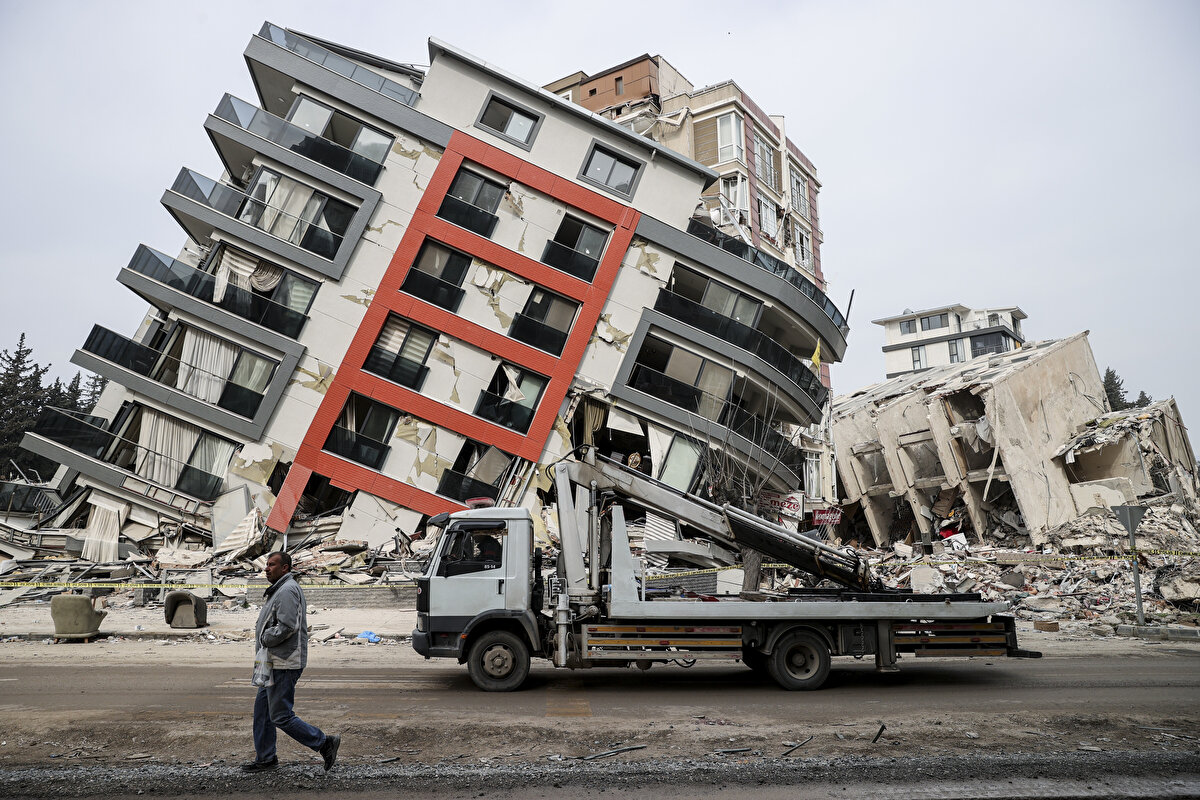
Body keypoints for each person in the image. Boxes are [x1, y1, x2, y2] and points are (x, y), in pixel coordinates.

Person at [242, 551, 341, 773]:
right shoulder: (279, 589)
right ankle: (266, 759)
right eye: (266, 564)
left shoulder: (287, 590)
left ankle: (324, 742)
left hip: (284, 662)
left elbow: (287, 627)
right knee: (262, 714)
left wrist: (265, 637)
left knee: (280, 715)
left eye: (272, 565)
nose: (266, 568)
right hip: (270, 661)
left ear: (285, 568)